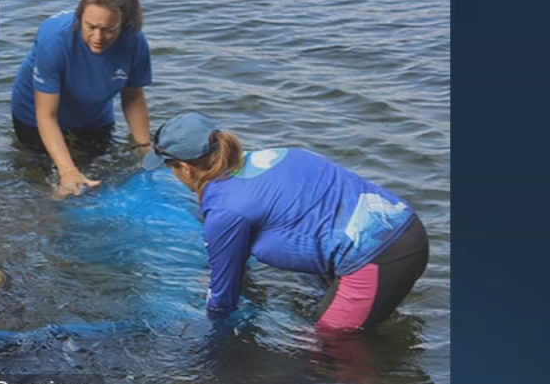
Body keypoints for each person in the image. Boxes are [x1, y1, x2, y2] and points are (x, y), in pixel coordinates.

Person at [146, 112, 429, 331]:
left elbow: (222, 298)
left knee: (329, 348)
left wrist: (214, 333)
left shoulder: (225, 211)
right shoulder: (280, 155)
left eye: (171, 169)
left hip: (376, 257)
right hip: (405, 225)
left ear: (184, 167)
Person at [10, 0, 153, 196]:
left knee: (100, 174)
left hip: (93, 111)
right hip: (36, 113)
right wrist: (67, 171)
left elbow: (133, 97)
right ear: (80, 17)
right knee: (45, 177)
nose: (98, 36)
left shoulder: (135, 41)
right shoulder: (54, 38)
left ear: (123, 24)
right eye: (91, 27)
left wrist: (144, 148)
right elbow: (46, 115)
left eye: (108, 29)